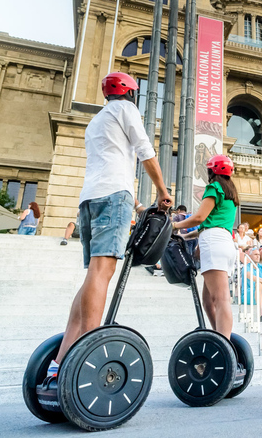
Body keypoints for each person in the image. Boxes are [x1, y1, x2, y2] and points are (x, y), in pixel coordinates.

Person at [45, 72, 171, 387]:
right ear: (130, 93)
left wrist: (139, 206)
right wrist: (162, 191)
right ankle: (87, 345)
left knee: (93, 275)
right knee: (103, 274)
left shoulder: (97, 121)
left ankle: (60, 359)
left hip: (89, 199)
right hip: (114, 195)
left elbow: (111, 162)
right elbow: (146, 152)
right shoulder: (126, 110)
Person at [172, 155, 239, 339]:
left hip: (214, 243)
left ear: (211, 171)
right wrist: (184, 235)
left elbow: (200, 217)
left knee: (221, 299)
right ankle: (218, 336)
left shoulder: (214, 187)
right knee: (208, 301)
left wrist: (174, 225)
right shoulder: (230, 192)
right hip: (225, 243)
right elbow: (207, 225)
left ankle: (224, 344)